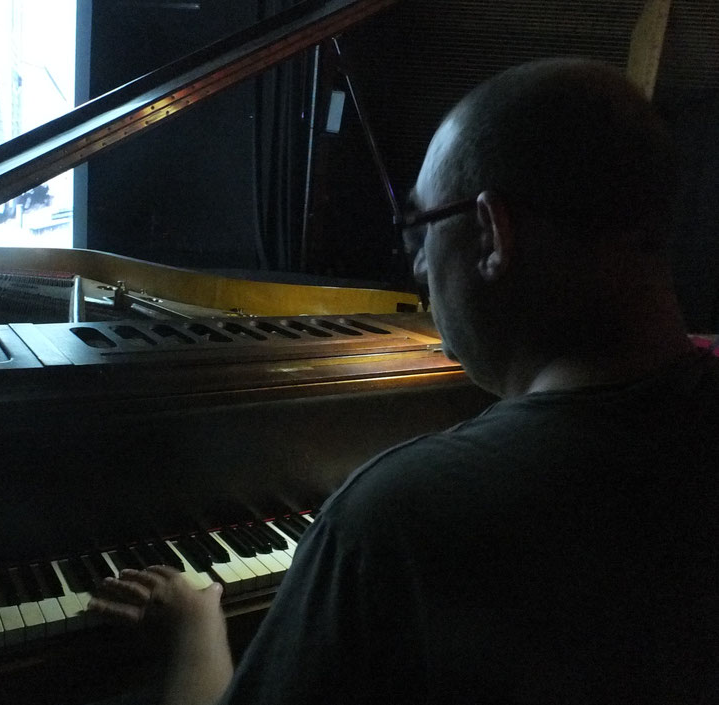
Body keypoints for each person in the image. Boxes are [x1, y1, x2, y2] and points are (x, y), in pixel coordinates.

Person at [90, 58, 719, 704]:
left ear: (491, 233)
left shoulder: (392, 523)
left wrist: (195, 628)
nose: (416, 265)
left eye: (421, 227)